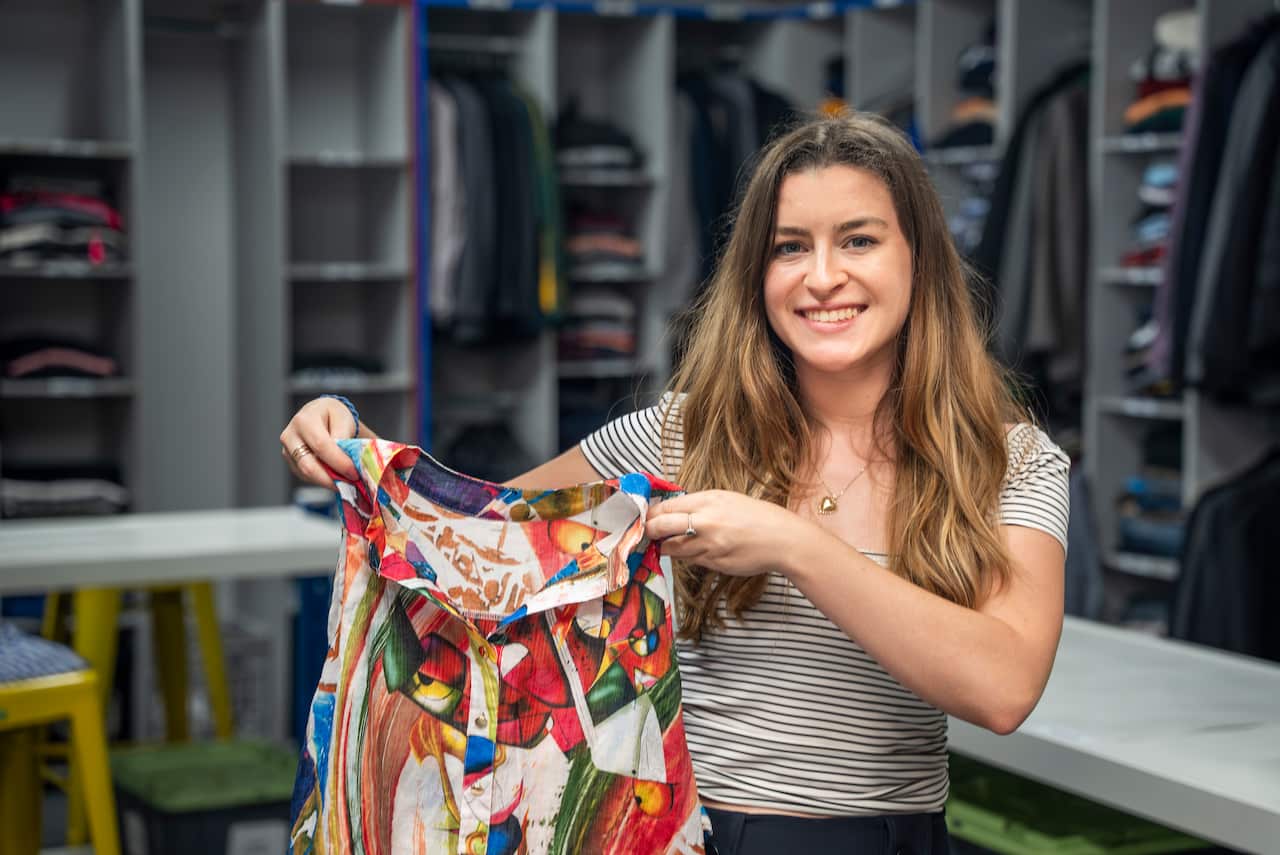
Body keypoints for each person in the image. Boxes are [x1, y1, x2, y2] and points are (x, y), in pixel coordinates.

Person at [279, 111, 1069, 855]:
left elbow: (1003, 688)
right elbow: (476, 541)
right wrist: (351, 447)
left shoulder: (1010, 461)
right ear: (757, 273)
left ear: (919, 258)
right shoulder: (680, 434)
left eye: (858, 240)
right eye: (790, 247)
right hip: (669, 833)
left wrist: (795, 545)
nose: (823, 276)